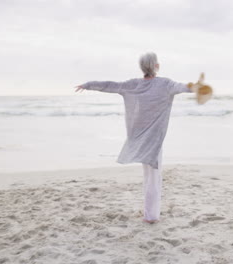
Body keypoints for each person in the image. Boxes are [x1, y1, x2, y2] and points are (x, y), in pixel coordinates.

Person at [74, 52, 193, 224]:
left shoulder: (133, 85)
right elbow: (184, 87)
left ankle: (150, 213)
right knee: (153, 178)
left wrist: (88, 84)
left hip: (139, 138)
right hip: (153, 141)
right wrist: (198, 86)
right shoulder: (165, 84)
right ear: (156, 66)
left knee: (149, 177)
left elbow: (110, 86)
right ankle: (151, 216)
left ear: (142, 67)